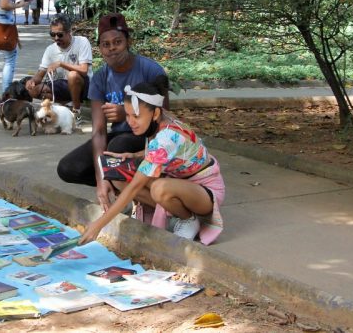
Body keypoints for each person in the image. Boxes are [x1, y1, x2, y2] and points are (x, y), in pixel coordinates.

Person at [78, 78, 225, 244]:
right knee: (118, 175)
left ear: (155, 113)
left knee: (158, 188)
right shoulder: (160, 119)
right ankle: (172, 213)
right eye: (127, 115)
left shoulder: (167, 137)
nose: (130, 122)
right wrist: (134, 156)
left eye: (136, 116)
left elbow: (136, 187)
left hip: (205, 191)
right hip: (178, 182)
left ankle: (188, 219)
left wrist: (99, 225)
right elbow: (169, 152)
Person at [56, 13, 167, 204]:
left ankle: (141, 194)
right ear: (100, 48)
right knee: (68, 167)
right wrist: (102, 180)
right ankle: (117, 186)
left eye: (118, 42)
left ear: (128, 42)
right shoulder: (100, 78)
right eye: (105, 44)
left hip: (150, 139)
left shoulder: (151, 70)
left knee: (116, 148)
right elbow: (99, 132)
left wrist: (128, 113)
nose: (112, 48)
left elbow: (165, 119)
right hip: (120, 137)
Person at [25, 14, 92, 121]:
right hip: (61, 84)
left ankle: (76, 111)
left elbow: (84, 70)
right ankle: (66, 104)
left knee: (72, 75)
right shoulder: (50, 50)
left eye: (60, 35)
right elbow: (40, 73)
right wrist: (32, 81)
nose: (56, 38)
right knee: (33, 90)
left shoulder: (82, 42)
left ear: (69, 32)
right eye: (53, 34)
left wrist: (61, 64)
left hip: (82, 84)